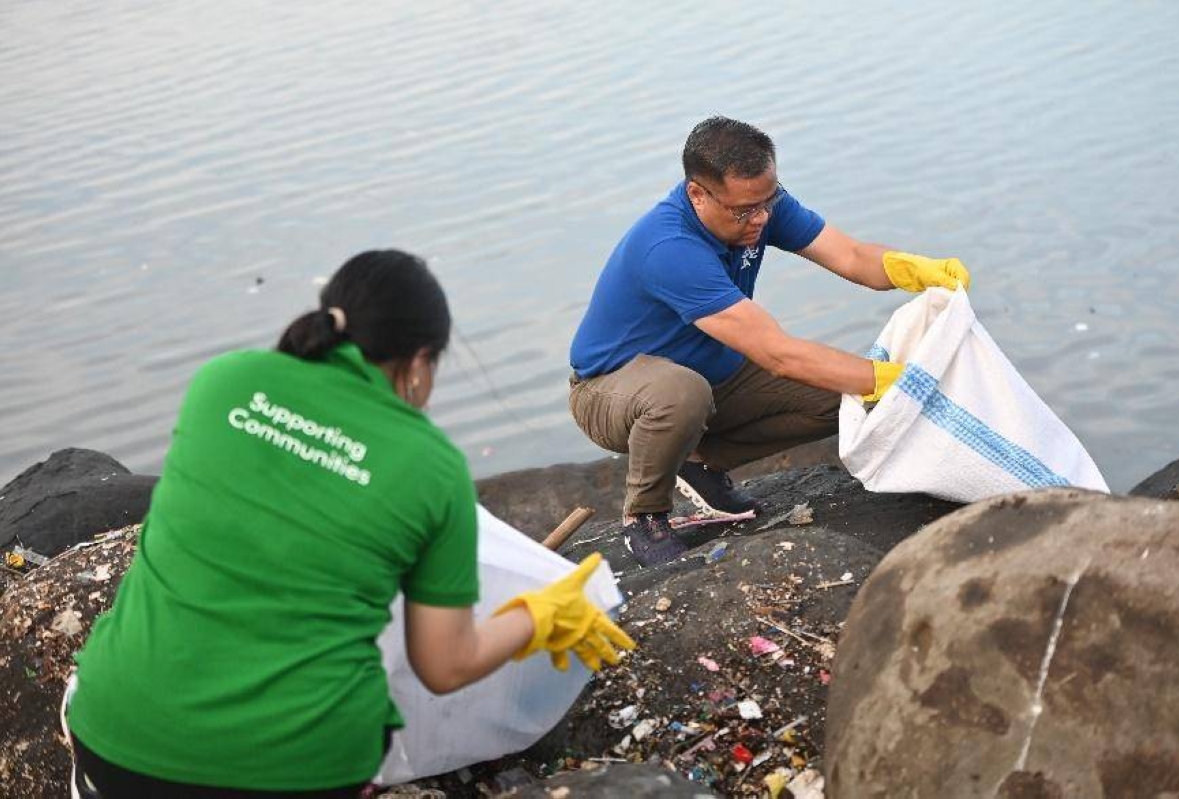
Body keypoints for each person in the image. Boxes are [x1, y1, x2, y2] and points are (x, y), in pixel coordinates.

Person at [67, 250, 634, 797]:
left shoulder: (223, 382)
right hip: (290, 768)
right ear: (417, 364)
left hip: (114, 738)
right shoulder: (430, 466)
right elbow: (445, 665)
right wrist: (538, 616)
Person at [568, 117, 971, 567]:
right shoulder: (669, 248)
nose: (760, 217)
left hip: (712, 372)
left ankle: (700, 462)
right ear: (697, 194)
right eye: (744, 210)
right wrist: (891, 380)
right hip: (612, 389)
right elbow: (775, 353)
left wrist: (910, 270)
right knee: (680, 394)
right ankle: (644, 517)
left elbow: (852, 257)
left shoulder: (759, 204)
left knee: (841, 398)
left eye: (768, 200)